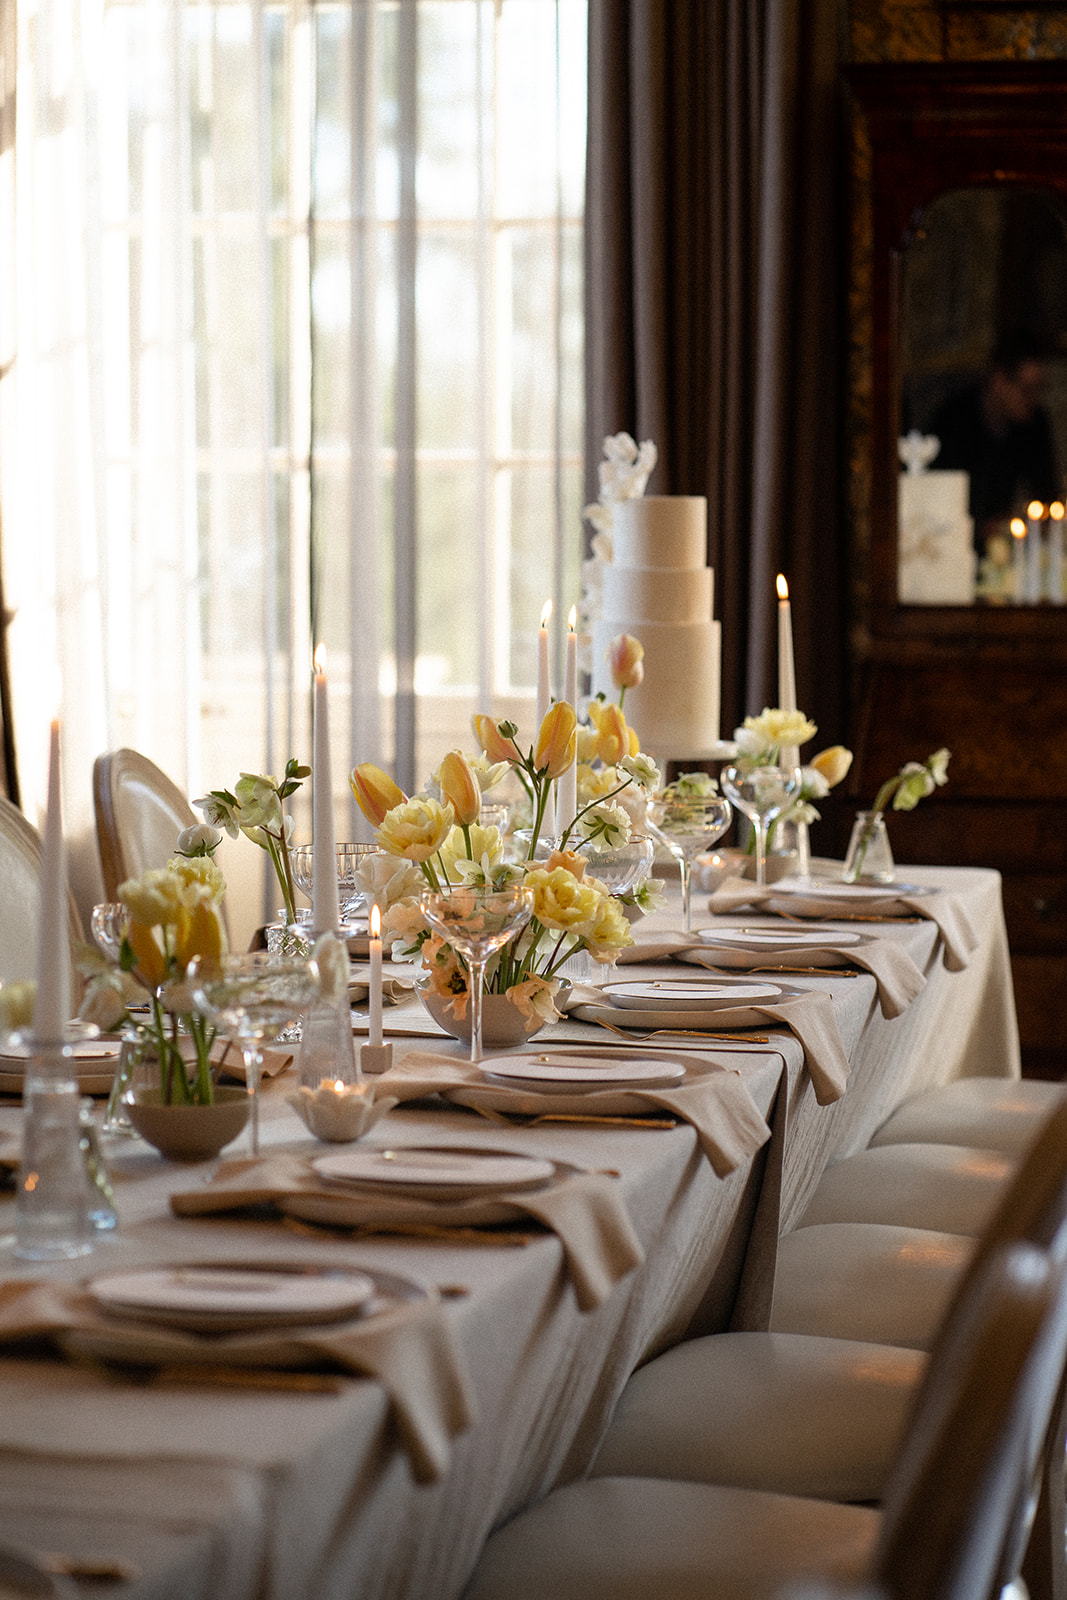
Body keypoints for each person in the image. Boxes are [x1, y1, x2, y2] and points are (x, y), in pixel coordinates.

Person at [929, 328, 1060, 541]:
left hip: (1011, 548)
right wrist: (982, 528)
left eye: (1039, 389)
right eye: (1027, 389)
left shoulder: (1035, 423)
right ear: (999, 381)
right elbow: (937, 501)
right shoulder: (953, 421)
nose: (1034, 399)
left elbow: (1046, 493)